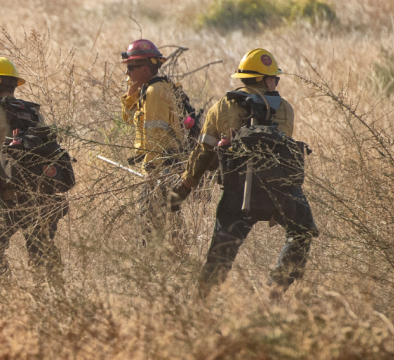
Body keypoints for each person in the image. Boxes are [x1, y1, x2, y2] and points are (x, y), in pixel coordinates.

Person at [167, 48, 318, 299]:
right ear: (265, 79)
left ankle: (201, 303)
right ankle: (276, 287)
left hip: (237, 193)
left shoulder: (221, 107)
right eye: (275, 78)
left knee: (220, 254)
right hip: (281, 191)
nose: (276, 82)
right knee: (302, 232)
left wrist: (183, 189)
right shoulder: (286, 109)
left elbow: (203, 152)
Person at [0, 57, 66, 285]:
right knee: (42, 248)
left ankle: (3, 295)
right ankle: (55, 293)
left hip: (6, 197)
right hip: (42, 195)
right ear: (13, 85)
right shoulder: (33, 113)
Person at [119, 39, 188, 244]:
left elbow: (155, 136)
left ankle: (151, 266)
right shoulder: (149, 89)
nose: (127, 73)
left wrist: (151, 170)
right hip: (164, 168)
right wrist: (131, 93)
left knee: (149, 228)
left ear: (145, 69)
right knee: (172, 224)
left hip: (161, 170)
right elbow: (128, 117)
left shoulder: (154, 92)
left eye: (131, 68)